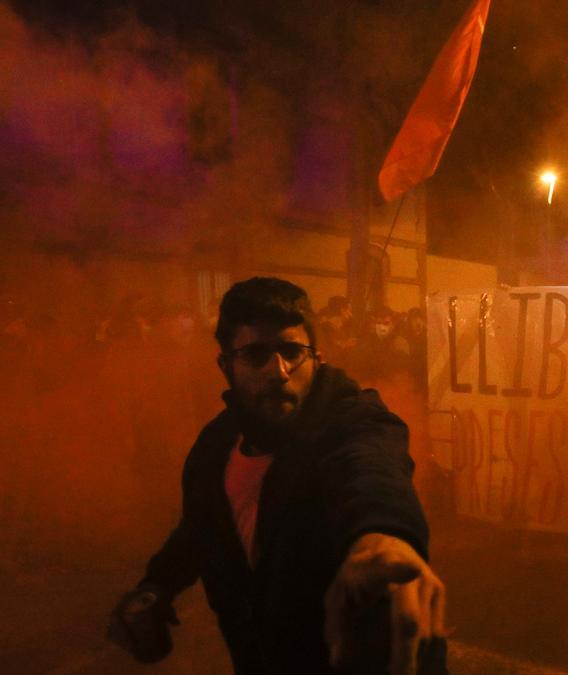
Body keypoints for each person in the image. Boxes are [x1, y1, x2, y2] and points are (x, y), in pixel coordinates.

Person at [110, 277, 446, 674]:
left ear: (317, 358)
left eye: (292, 352)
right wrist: (157, 585)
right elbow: (207, 524)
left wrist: (381, 539)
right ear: (225, 365)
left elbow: (370, 470)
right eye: (255, 355)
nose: (279, 371)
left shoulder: (353, 419)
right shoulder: (214, 448)